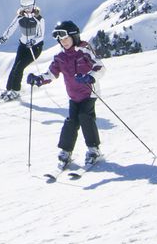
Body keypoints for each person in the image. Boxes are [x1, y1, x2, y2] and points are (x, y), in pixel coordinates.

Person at [26, 19, 104, 169]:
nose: (64, 42)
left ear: (74, 36)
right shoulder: (60, 57)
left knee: (85, 116)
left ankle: (94, 150)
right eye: (61, 40)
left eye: (66, 38)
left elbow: (100, 66)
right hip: (73, 96)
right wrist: (38, 79)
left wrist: (90, 76)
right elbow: (51, 74)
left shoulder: (84, 50)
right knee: (71, 121)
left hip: (89, 93)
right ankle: (66, 151)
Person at [0, 0, 45, 101]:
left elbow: (41, 36)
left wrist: (33, 41)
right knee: (14, 67)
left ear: (34, 5)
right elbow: (12, 27)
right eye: (25, 7)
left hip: (34, 48)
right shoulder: (20, 17)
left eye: (30, 7)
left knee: (19, 67)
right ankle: (9, 89)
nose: (27, 9)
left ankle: (16, 91)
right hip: (23, 46)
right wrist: (5, 37)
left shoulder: (39, 19)